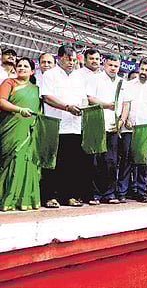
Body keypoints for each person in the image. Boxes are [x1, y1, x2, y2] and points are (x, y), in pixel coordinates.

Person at [41, 45, 90, 207]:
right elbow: (47, 97)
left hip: (75, 126)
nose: (71, 63)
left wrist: (83, 108)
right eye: (68, 59)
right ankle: (49, 196)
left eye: (74, 60)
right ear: (59, 58)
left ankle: (69, 195)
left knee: (72, 163)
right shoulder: (50, 75)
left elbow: (84, 99)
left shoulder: (79, 77)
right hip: (56, 124)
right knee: (53, 162)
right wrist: (67, 107)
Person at [117, 59, 147, 203]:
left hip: (146, 129)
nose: (143, 72)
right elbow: (125, 104)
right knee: (125, 160)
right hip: (129, 128)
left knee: (143, 162)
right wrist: (125, 120)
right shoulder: (128, 85)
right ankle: (122, 192)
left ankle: (141, 192)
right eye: (142, 69)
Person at [0, 58, 41, 211]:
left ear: (32, 71)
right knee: (10, 160)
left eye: (26, 66)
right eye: (19, 66)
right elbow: (2, 101)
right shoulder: (8, 83)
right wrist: (20, 110)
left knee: (26, 161)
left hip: (29, 129)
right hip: (11, 127)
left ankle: (23, 199)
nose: (22, 68)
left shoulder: (36, 89)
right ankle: (5, 198)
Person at [87, 54, 124, 205]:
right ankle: (95, 194)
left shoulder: (122, 82)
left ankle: (110, 194)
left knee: (111, 161)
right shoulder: (95, 79)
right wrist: (106, 105)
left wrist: (121, 121)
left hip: (114, 126)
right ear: (104, 64)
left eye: (116, 66)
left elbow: (125, 104)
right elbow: (90, 97)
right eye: (110, 65)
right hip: (97, 125)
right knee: (96, 161)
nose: (113, 68)